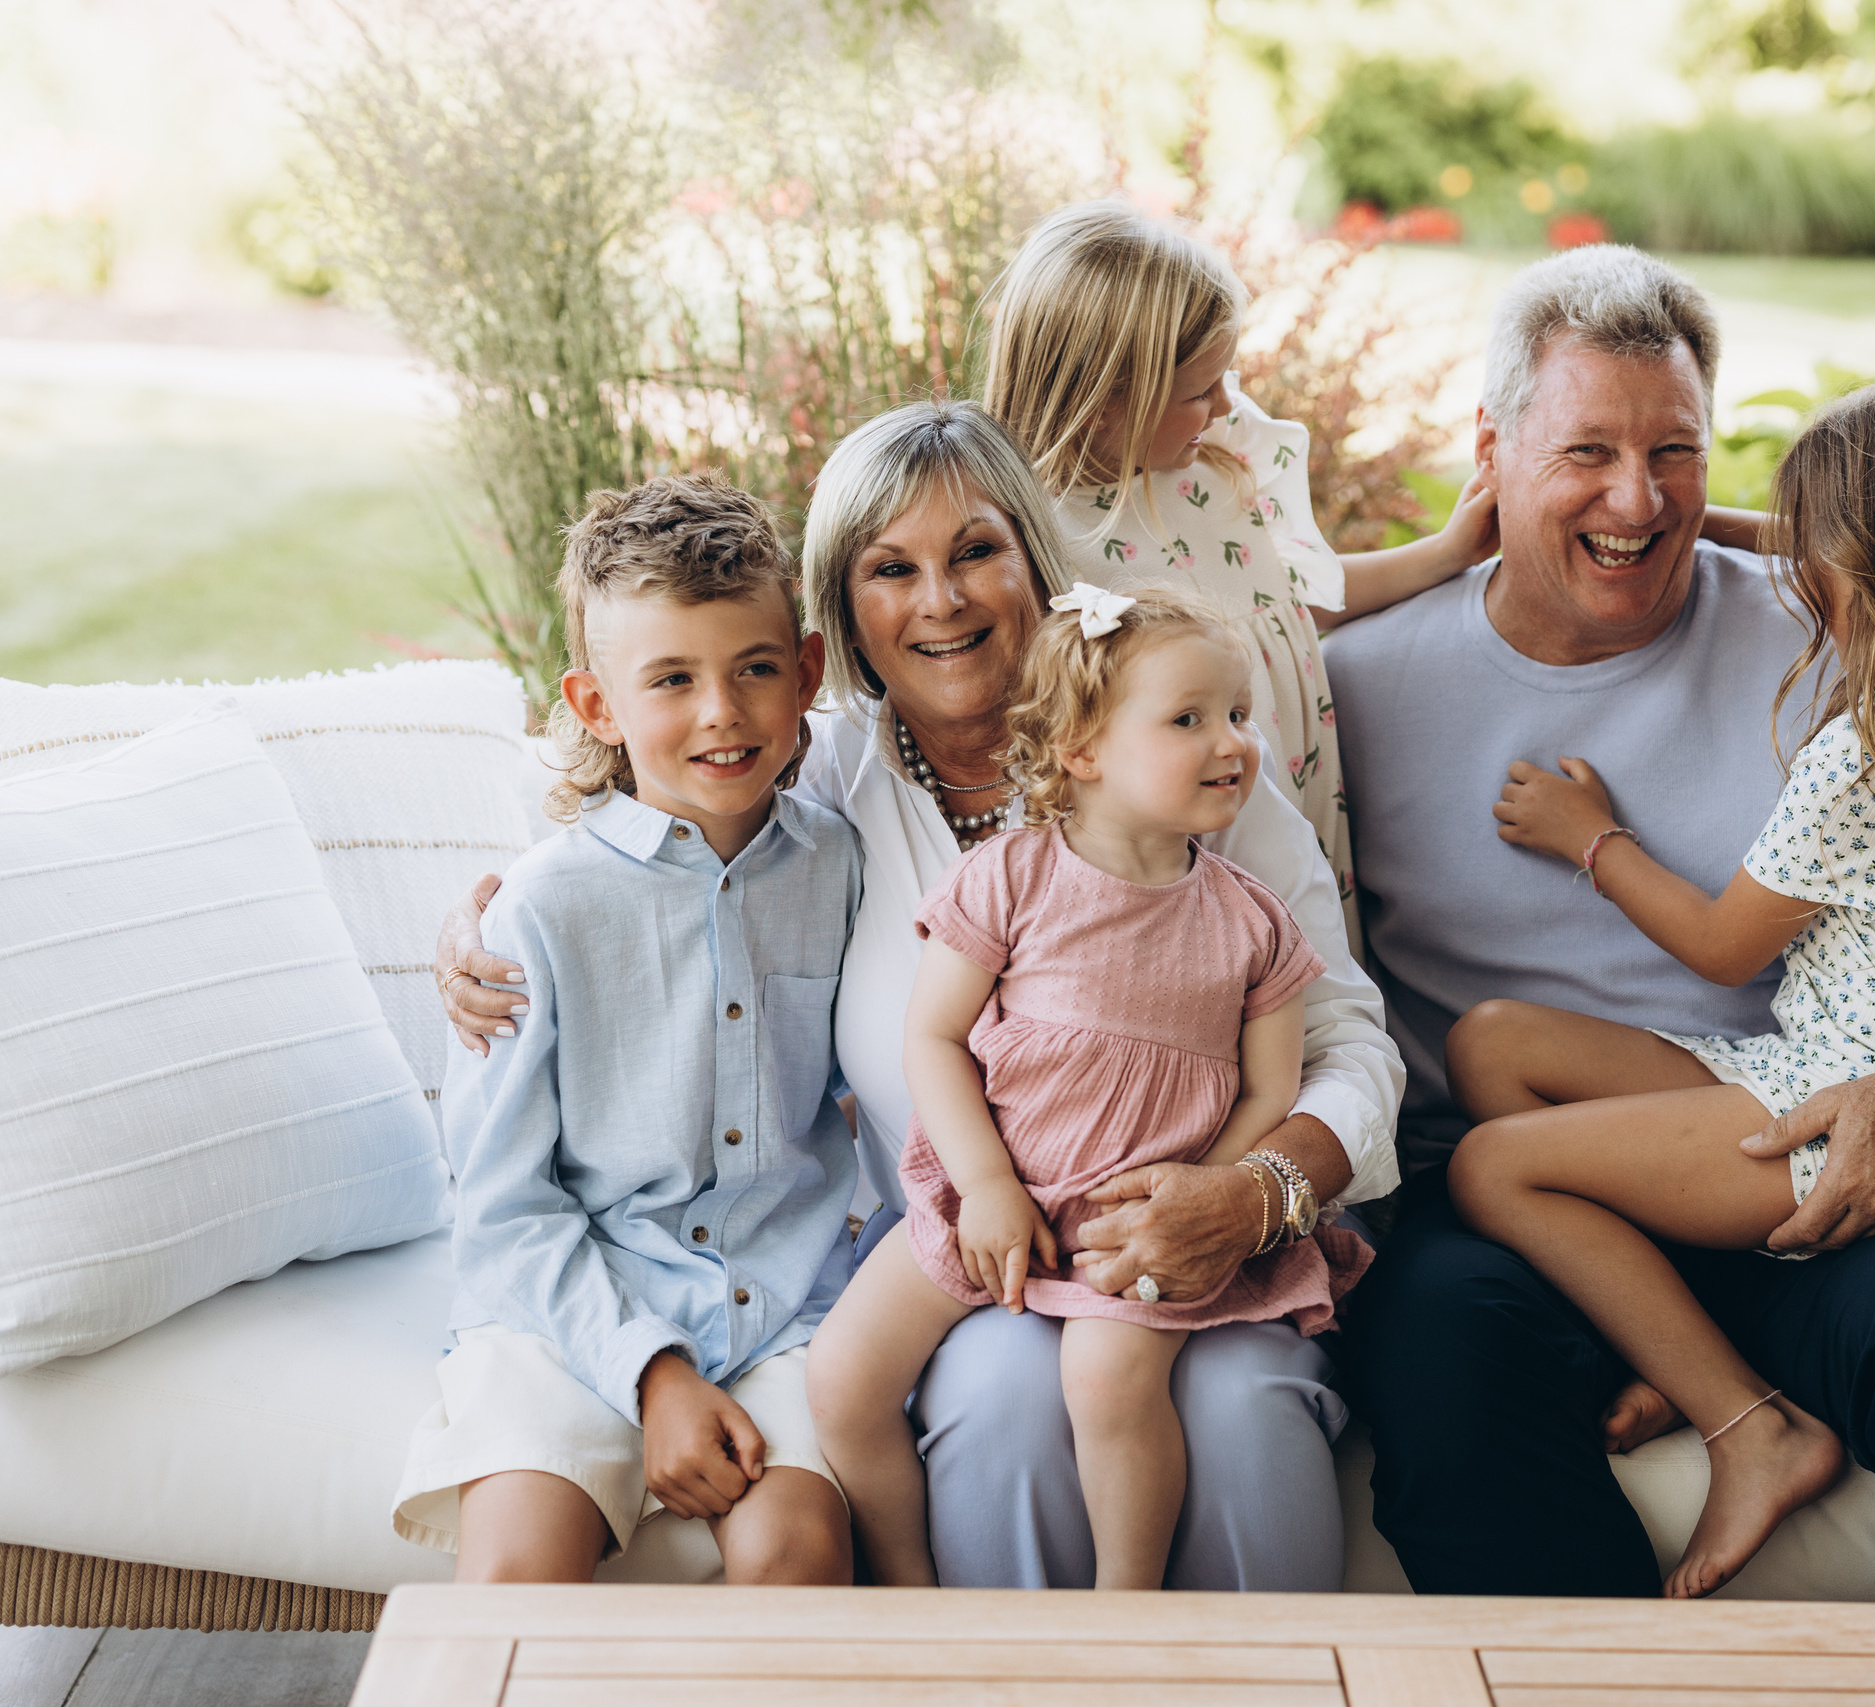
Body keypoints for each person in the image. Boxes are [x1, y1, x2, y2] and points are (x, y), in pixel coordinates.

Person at [437, 400, 1403, 1591]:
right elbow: (633, 813)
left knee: (1243, 1412)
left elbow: (1350, 1043)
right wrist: (472, 924)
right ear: (843, 619)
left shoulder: (1184, 754)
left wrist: (1252, 1194)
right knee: (998, 1408)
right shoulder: (819, 775)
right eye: (891, 569)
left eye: (976, 552)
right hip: (972, 1252)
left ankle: (1263, 1677)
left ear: (1035, 565)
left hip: (1199, 1235)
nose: (940, 601)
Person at [1327, 246, 1875, 1605]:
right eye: (1587, 451)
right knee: (1436, 1352)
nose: (1637, 501)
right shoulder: (1346, 687)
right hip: (1532, 1204)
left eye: (1675, 453)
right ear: (1490, 449)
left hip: (1793, 1149)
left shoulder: (1837, 627)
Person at [808, 586, 1366, 1591]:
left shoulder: (1253, 924)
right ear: (1081, 750)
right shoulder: (1008, 878)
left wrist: (1196, 1196)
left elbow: (1269, 1092)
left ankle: (1123, 1603)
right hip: (997, 1204)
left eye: (1238, 714)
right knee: (844, 1377)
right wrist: (985, 1185)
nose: (1232, 742)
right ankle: (909, 1591)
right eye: (1188, 719)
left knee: (1107, 1381)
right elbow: (933, 1036)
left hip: (1133, 1229)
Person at [394, 475, 859, 1586]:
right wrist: (654, 1373)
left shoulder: (842, 864)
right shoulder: (540, 911)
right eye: (672, 679)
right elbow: (503, 1206)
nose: (722, 711)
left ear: (807, 672)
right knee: (518, 1570)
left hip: (780, 1302)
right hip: (569, 1303)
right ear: (598, 705)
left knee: (797, 1556)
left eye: (755, 669)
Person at [980, 199, 1500, 912]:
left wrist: (1446, 554)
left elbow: (1292, 597)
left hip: (1295, 784)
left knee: (1311, 939)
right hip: (1192, 834)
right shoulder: (1044, 541)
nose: (1228, 404)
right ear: (1103, 403)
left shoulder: (1221, 459)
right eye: (1201, 391)